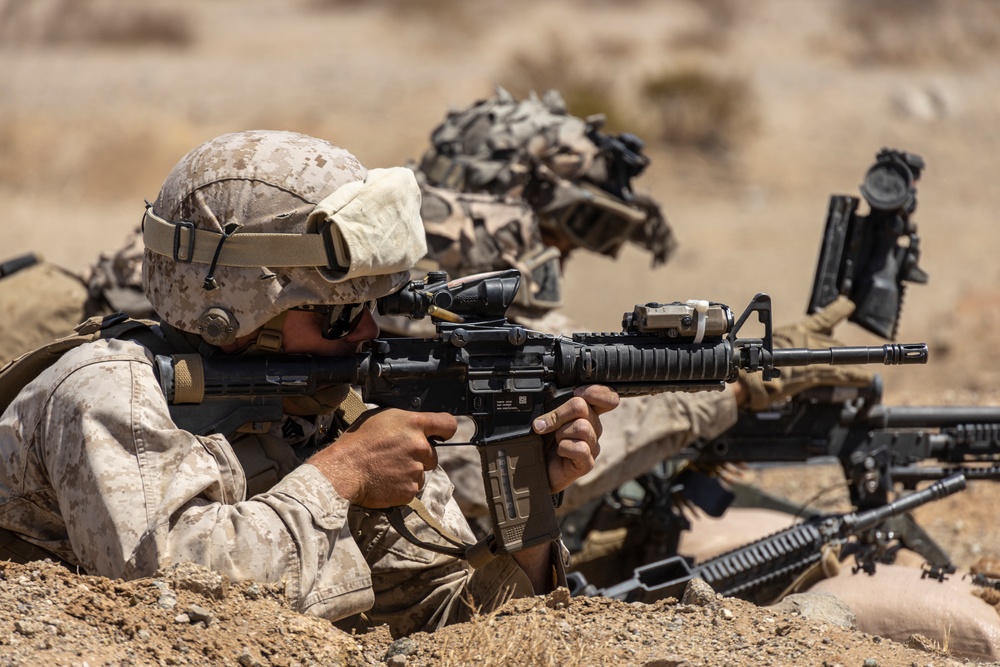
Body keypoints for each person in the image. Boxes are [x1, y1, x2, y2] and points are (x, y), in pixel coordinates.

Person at [387, 89, 1000, 661]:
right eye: (564, 229)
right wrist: (718, 396)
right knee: (844, 575)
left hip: (556, 545)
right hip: (481, 583)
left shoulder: (459, 290)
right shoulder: (417, 301)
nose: (565, 252)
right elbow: (476, 477)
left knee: (820, 542)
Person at [0, 129, 620, 636]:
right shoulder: (107, 392)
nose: (369, 331)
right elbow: (165, 595)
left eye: (376, 307)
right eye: (340, 313)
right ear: (234, 307)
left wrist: (530, 519)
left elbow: (449, 618)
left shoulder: (333, 405)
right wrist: (340, 478)